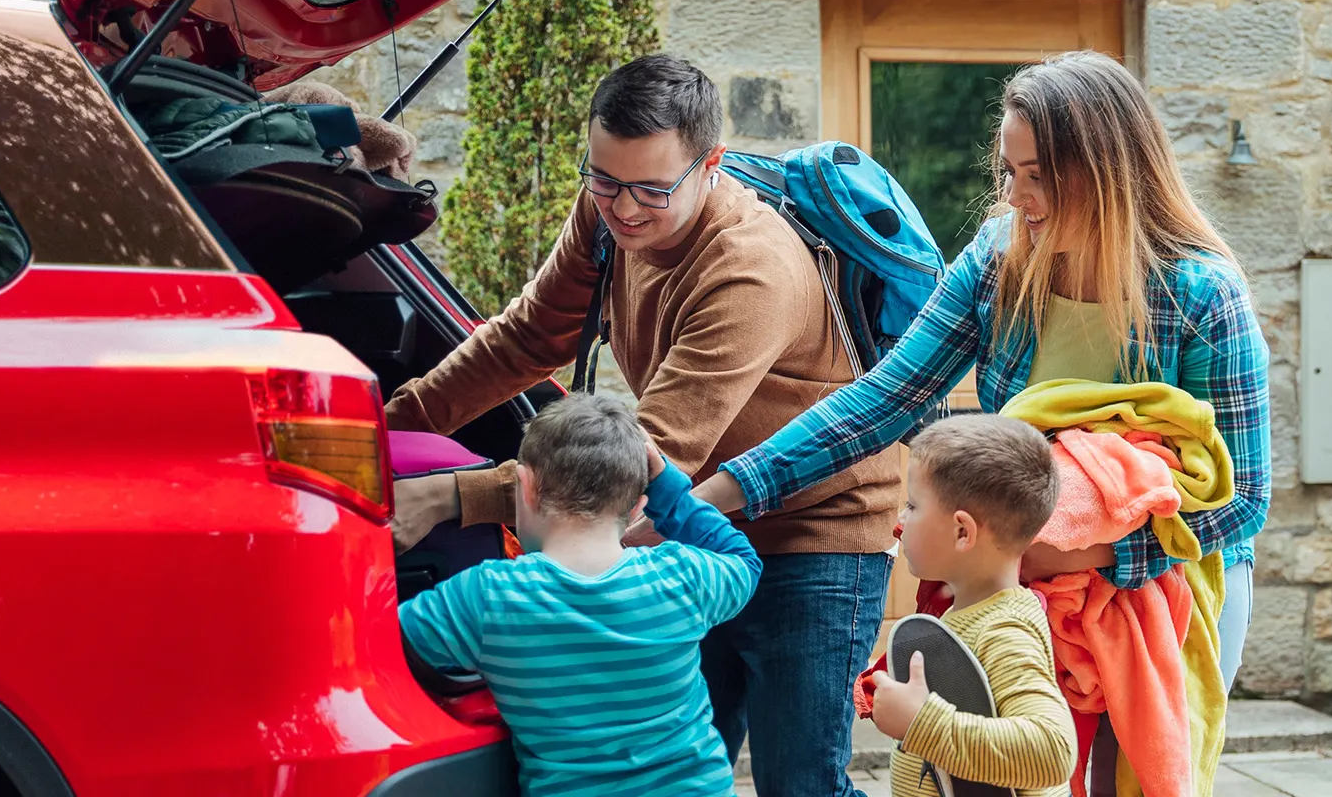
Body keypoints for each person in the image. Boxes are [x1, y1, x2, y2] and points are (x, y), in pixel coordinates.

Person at [383, 54, 902, 796]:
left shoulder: (750, 269)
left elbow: (640, 460)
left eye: (653, 190)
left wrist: (446, 496)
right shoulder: (604, 216)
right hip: (694, 529)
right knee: (679, 772)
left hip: (814, 539)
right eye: (604, 180)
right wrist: (383, 430)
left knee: (800, 783)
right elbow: (526, 339)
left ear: (710, 165)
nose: (623, 210)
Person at [692, 50, 1271, 690]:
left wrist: (1085, 552)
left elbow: (1243, 499)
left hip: (1171, 588)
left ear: (1109, 173)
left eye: (1040, 175)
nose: (1016, 197)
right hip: (1022, 585)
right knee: (1017, 779)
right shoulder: (996, 263)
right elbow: (882, 401)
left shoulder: (1202, 296)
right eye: (1009, 171)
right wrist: (720, 494)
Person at [397, 394, 759, 796]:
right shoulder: (683, 577)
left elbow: (383, 645)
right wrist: (668, 489)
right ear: (639, 502)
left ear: (526, 487)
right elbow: (741, 558)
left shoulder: (486, 598)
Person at [868, 414, 1077, 797]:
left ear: (962, 532)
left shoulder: (1003, 630)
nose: (900, 520)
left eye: (913, 506)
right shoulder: (975, 609)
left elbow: (1054, 749)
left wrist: (920, 722)